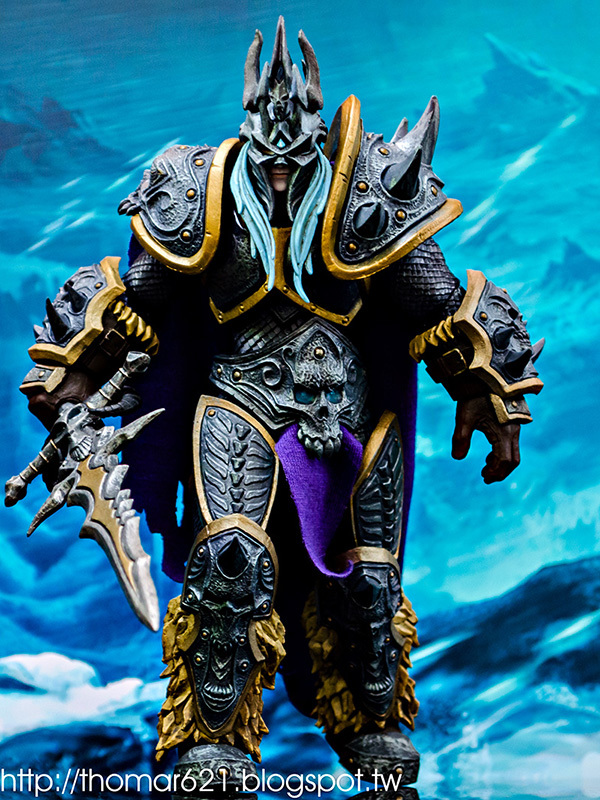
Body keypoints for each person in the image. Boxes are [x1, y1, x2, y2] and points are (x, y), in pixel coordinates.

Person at [8, 16, 543, 792]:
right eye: (270, 154)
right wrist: (73, 376)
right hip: (239, 403)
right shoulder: (198, 189)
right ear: (247, 132)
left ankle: (371, 721)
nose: (285, 171)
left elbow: (440, 302)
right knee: (230, 563)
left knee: (370, 585)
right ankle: (213, 736)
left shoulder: (366, 187)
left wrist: (492, 396)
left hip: (350, 413)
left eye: (298, 153)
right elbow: (137, 303)